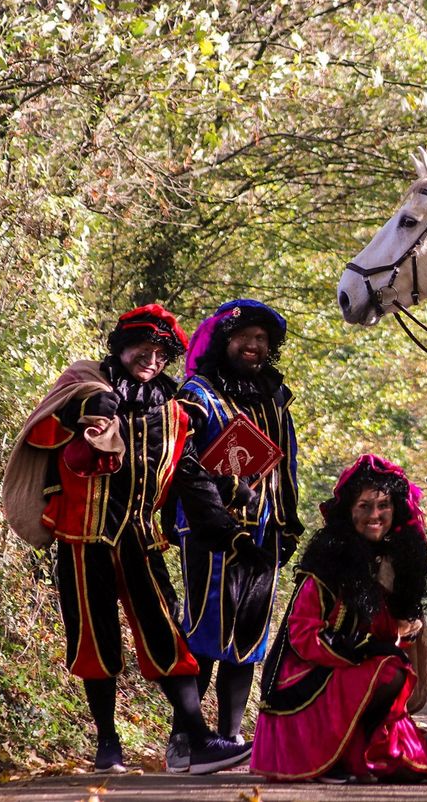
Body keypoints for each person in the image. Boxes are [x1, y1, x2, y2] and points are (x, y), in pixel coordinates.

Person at [2, 304, 260, 774]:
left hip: (140, 539)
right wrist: (80, 410)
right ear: (121, 346)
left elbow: (187, 473)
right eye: (145, 347)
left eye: (163, 352)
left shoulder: (174, 413)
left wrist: (222, 524)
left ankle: (196, 741)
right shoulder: (84, 385)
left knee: (167, 635)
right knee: (94, 641)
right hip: (83, 539)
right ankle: (107, 744)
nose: (153, 358)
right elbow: (41, 433)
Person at [160, 299, 303, 772]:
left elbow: (286, 465)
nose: (255, 346)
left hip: (263, 532)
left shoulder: (273, 397)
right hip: (209, 531)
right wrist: (217, 511)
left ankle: (230, 738)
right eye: (247, 337)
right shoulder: (197, 393)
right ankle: (185, 741)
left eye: (263, 340)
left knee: (250, 635)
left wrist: (286, 523)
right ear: (225, 340)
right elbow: (180, 459)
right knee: (204, 629)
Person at [249, 454, 427, 783]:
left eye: (383, 506)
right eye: (364, 506)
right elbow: (303, 636)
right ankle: (341, 755)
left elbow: (384, 635)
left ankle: (358, 748)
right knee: (389, 669)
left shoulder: (393, 562)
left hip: (352, 674)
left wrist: (401, 633)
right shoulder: (326, 563)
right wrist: (367, 649)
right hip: (308, 674)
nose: (375, 515)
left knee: (411, 762)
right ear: (348, 511)